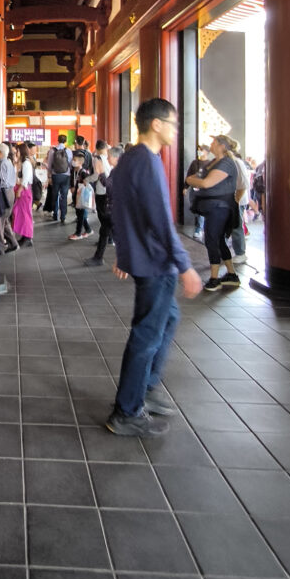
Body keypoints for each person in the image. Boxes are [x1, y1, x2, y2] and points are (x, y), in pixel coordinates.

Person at [106, 100, 202, 437]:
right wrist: (186, 266)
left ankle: (146, 386)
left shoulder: (129, 159)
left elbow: (115, 205)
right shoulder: (147, 162)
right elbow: (161, 220)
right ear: (157, 125)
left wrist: (123, 252)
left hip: (143, 258)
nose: (176, 130)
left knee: (168, 317)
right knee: (146, 334)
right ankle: (128, 410)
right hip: (156, 262)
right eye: (173, 124)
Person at [186, 134, 241, 292]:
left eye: (214, 142)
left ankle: (214, 278)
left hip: (220, 207)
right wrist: (193, 180)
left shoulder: (226, 163)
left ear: (222, 146)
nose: (211, 144)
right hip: (213, 207)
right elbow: (194, 178)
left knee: (211, 239)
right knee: (218, 239)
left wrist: (193, 181)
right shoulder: (213, 162)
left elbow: (205, 182)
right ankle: (231, 274)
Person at [84, 144, 123, 266]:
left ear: (117, 158)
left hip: (116, 209)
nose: (107, 159)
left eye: (109, 156)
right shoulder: (116, 170)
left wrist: (100, 173)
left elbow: (110, 187)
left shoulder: (119, 171)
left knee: (117, 235)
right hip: (113, 208)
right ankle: (98, 257)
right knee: (105, 231)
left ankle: (128, 260)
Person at [0, 142, 18, 255]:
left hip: (3, 193)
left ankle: (0, 248)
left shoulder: (2, 164)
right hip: (10, 193)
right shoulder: (9, 162)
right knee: (5, 220)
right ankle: (13, 243)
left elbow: (2, 181)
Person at [12, 141, 34, 247]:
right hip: (20, 189)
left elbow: (25, 179)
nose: (16, 153)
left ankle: (28, 237)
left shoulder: (26, 163)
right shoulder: (21, 162)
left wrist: (19, 190)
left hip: (24, 190)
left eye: (17, 151)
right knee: (20, 213)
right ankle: (24, 235)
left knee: (25, 214)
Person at [46, 134, 73, 223]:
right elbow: (70, 164)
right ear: (65, 141)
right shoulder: (68, 151)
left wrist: (49, 175)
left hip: (55, 175)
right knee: (64, 196)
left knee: (55, 195)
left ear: (58, 140)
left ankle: (55, 214)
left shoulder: (52, 151)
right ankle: (63, 216)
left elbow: (49, 165)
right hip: (66, 176)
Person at [68, 169, 93, 241]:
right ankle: (88, 230)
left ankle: (78, 233)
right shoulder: (76, 171)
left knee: (80, 216)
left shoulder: (83, 172)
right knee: (80, 215)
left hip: (81, 198)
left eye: (75, 159)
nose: (73, 161)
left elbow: (86, 183)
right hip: (78, 197)